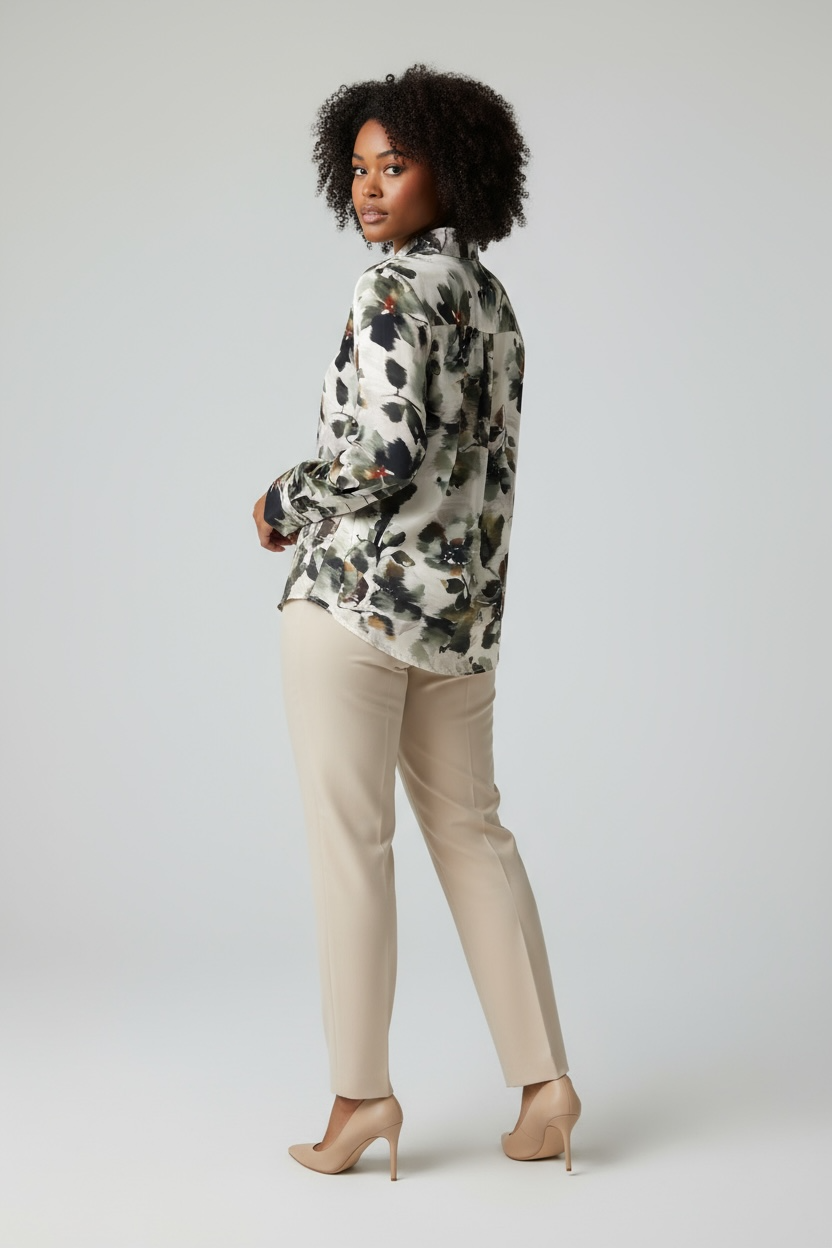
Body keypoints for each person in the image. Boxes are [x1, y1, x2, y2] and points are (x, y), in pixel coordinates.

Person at [252, 65, 581, 1180]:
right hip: (459, 621)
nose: (369, 188)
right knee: (474, 834)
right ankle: (545, 1084)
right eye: (358, 168)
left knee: (353, 849)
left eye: (394, 166)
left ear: (453, 170)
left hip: (354, 605)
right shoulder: (493, 303)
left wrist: (283, 498)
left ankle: (360, 1099)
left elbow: (382, 455)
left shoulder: (388, 288)